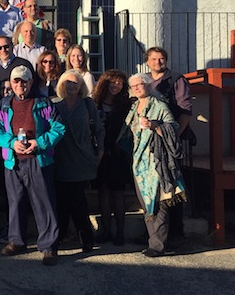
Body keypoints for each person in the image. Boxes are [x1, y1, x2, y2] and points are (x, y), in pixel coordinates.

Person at [0, 65, 65, 265]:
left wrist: (38, 143)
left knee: (44, 202)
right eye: (16, 81)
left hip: (39, 160)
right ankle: (16, 241)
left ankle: (49, 246)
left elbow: (58, 127)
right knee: (15, 202)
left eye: (24, 80)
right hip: (13, 161)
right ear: (11, 83)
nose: (20, 84)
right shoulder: (3, 105)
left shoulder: (43, 103)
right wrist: (11, 143)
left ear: (31, 82)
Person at [118, 73, 186, 257]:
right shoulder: (134, 107)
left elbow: (173, 128)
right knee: (146, 202)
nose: (137, 88)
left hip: (156, 160)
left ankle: (157, 245)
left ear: (148, 85)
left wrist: (155, 125)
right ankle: (153, 240)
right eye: (133, 86)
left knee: (159, 202)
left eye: (140, 84)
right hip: (139, 163)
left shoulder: (159, 105)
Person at [145, 46, 194, 243]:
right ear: (147, 62)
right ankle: (155, 232)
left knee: (172, 184)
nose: (158, 62)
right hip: (150, 142)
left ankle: (176, 233)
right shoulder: (145, 81)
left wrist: (174, 136)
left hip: (170, 140)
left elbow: (185, 111)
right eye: (154, 59)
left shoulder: (176, 80)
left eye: (162, 59)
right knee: (153, 187)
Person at [53, 70, 104, 253]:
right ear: (62, 84)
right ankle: (59, 238)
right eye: (68, 82)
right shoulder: (55, 105)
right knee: (62, 202)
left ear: (81, 86)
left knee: (78, 201)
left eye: (75, 83)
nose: (71, 86)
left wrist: (100, 152)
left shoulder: (88, 104)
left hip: (82, 158)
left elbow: (98, 128)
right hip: (61, 158)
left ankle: (86, 239)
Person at [91, 70, 132, 246]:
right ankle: (106, 231)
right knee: (103, 192)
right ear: (105, 83)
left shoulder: (126, 105)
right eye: (113, 82)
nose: (116, 85)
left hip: (118, 153)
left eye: (120, 83)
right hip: (100, 153)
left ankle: (120, 233)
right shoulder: (95, 104)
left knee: (118, 192)